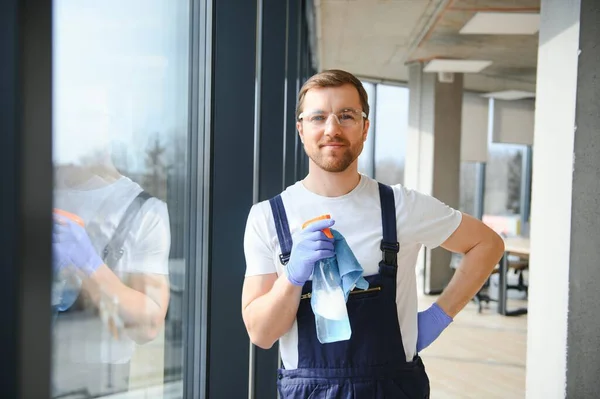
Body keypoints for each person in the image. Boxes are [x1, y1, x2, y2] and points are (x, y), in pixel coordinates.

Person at [241, 69, 504, 398]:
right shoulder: (268, 218)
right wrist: (292, 278)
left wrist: (439, 315)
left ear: (365, 128)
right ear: (301, 129)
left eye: (346, 116)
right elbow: (262, 334)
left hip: (393, 388)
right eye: (318, 117)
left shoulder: (401, 206)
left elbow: (487, 244)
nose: (332, 128)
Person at [51, 150, 171, 397]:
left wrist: (89, 265)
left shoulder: (142, 211)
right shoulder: (25, 183)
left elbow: (147, 326)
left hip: (97, 381)